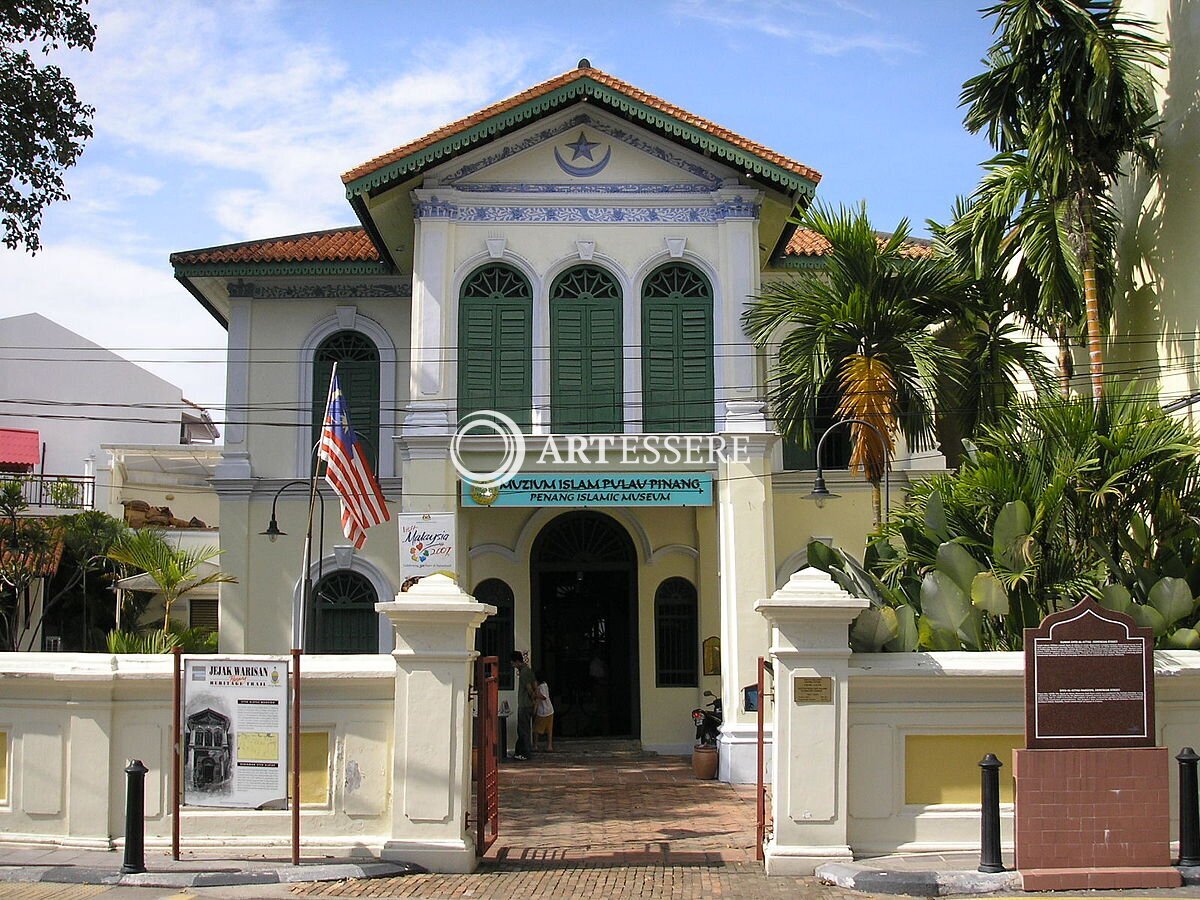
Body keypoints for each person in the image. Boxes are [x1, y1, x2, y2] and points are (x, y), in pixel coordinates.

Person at [510, 651, 535, 761]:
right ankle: (519, 752)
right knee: (523, 729)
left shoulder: (524, 672)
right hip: (527, 705)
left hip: (524, 705)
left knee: (523, 730)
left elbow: (529, 688)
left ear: (516, 661)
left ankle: (525, 753)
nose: (513, 666)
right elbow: (535, 684)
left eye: (513, 663)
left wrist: (532, 699)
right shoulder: (528, 670)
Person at [532, 672, 554, 752]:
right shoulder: (545, 685)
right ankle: (549, 746)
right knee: (549, 730)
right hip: (549, 710)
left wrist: (535, 692)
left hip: (543, 712)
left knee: (536, 729)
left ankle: (535, 745)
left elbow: (543, 697)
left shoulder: (541, 687)